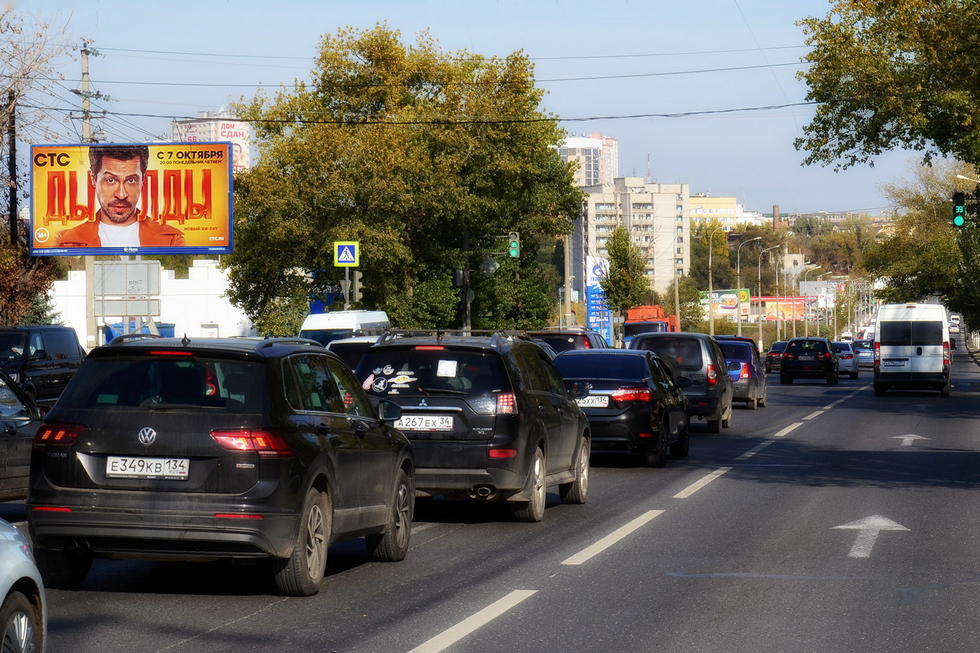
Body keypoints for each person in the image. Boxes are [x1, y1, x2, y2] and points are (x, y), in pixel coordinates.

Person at [56, 144, 186, 248]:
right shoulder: (66, 241)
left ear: (143, 181)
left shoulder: (172, 240)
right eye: (111, 180)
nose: (121, 195)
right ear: (93, 179)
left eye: (131, 180)